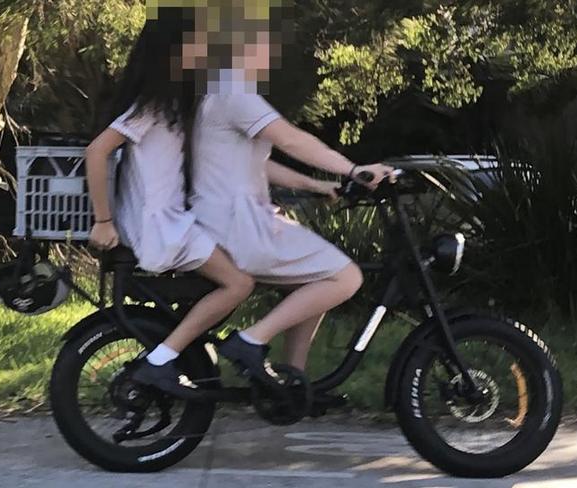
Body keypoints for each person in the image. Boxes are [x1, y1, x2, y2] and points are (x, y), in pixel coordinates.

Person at [189, 27, 396, 387]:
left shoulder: (218, 91)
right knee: (346, 277)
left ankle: (292, 384)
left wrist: (315, 184)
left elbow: (258, 164)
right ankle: (250, 341)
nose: (270, 52)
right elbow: (292, 140)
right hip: (238, 226)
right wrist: (354, 170)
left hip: (225, 219)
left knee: (316, 278)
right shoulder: (234, 93)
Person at [85, 12, 254, 398]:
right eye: (196, 43)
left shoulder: (172, 104)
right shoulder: (152, 106)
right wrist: (103, 220)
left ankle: (182, 346)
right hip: (161, 229)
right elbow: (96, 151)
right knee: (239, 282)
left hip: (171, 221)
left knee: (248, 255)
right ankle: (162, 359)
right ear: (172, 51)